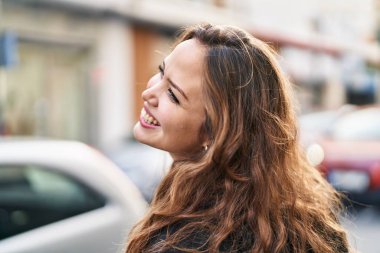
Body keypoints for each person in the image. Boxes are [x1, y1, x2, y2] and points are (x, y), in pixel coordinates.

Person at [125, 23, 350, 253]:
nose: (148, 93)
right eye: (161, 72)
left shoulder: (185, 242)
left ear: (218, 132)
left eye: (173, 94)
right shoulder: (308, 222)